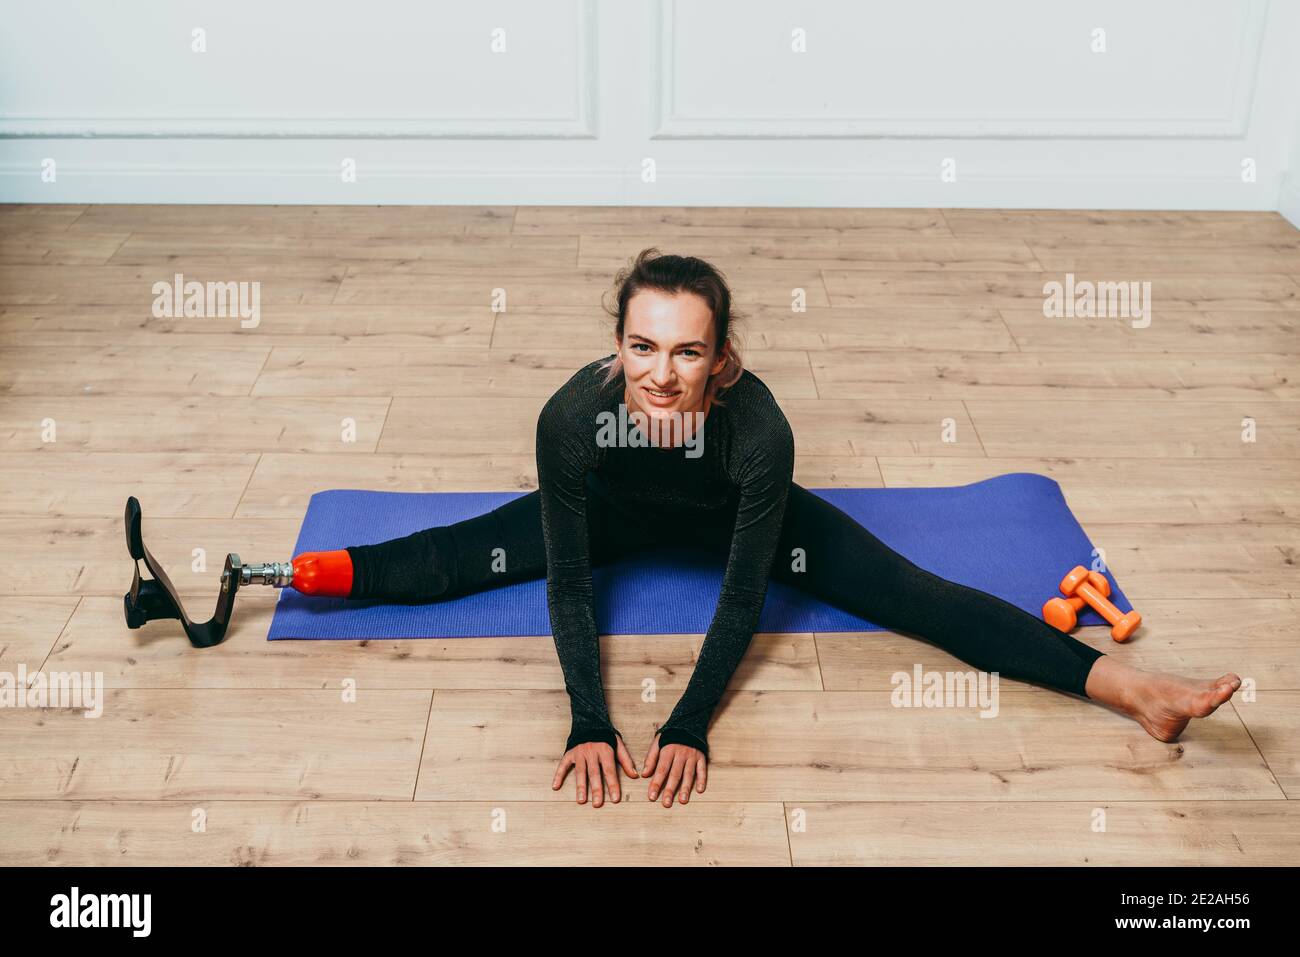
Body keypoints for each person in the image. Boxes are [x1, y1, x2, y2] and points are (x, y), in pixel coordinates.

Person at [311, 248, 1242, 809]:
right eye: (641, 347)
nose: (660, 374)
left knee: (916, 595)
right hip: (609, 516)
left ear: (724, 359)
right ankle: (296, 570)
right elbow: (569, 581)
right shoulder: (570, 419)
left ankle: (1132, 690)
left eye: (686, 351)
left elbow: (746, 590)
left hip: (744, 526)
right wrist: (588, 719)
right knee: (470, 553)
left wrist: (687, 724)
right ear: (617, 347)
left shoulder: (758, 430)